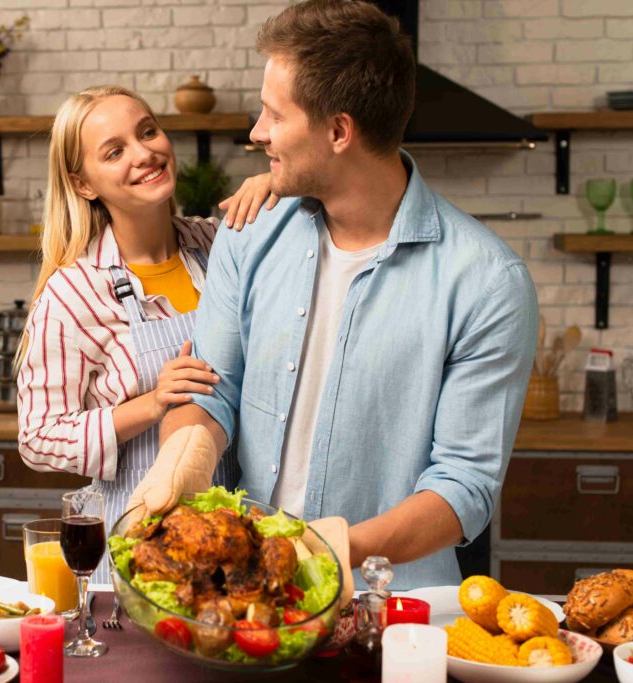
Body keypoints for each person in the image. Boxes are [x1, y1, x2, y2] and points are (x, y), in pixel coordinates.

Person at [127, 0, 539, 590]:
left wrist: (322, 552)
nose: (257, 133)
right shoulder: (249, 235)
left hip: (391, 607)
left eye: (274, 115)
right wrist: (179, 465)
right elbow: (211, 390)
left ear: (339, 131)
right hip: (247, 602)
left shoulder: (487, 283)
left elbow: (463, 487)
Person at [16, 86, 275, 583]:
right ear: (84, 183)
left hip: (236, 531)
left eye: (148, 131)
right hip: (142, 544)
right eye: (114, 152)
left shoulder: (217, 245)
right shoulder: (75, 291)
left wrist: (275, 189)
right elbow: (37, 437)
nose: (144, 154)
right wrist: (152, 404)